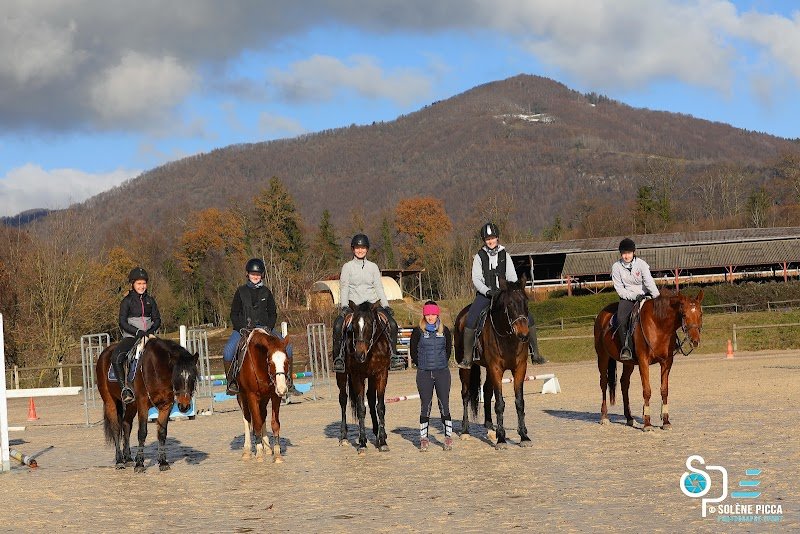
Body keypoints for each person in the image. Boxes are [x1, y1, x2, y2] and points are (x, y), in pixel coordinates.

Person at [458, 222, 547, 369]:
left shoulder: (505, 255)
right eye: (487, 239)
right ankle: (468, 358)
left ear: (497, 238)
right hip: (485, 295)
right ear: (484, 241)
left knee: (528, 317)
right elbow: (476, 278)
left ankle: (535, 353)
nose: (490, 241)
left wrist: (509, 291)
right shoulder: (479, 257)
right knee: (472, 317)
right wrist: (487, 291)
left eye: (492, 238)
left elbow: (512, 276)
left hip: (504, 294)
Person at [223, 258, 295, 395]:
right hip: (243, 329)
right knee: (227, 352)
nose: (255, 276)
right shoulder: (240, 292)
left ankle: (289, 382)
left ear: (262, 275)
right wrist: (240, 327)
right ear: (248, 274)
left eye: (258, 274)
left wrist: (268, 327)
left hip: (266, 328)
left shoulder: (266, 292)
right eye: (252, 273)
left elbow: (273, 313)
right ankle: (232, 382)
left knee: (289, 348)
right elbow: (234, 313)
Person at [332, 234, 399, 373]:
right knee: (338, 325)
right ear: (353, 249)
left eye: (362, 248)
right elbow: (344, 287)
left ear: (367, 249)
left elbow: (379, 287)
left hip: (372, 304)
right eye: (357, 248)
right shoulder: (347, 267)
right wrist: (344, 306)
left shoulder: (373, 267)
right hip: (354, 305)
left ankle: (393, 355)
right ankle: (338, 358)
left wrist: (386, 305)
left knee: (392, 324)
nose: (360, 250)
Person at [112, 267, 161, 404]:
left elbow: (157, 320)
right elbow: (122, 322)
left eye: (144, 283)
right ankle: (124, 389)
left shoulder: (151, 300)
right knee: (116, 357)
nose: (142, 286)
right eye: (139, 283)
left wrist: (150, 332)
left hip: (149, 336)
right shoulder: (126, 301)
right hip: (131, 336)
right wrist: (138, 332)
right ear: (133, 284)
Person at [410, 301, 453, 451]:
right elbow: (413, 352)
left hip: (442, 373)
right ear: (424, 315)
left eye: (433, 314)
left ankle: (448, 437)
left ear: (437, 314)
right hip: (424, 374)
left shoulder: (445, 330)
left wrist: (440, 364)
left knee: (444, 405)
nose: (430, 317)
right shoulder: (417, 331)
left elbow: (448, 350)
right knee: (425, 406)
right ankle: (424, 438)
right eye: (427, 314)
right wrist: (422, 364)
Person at [611, 238, 659, 360]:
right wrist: (633, 296)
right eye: (624, 253)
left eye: (629, 253)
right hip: (627, 298)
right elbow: (620, 289)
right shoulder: (616, 267)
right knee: (621, 319)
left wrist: (657, 297)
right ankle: (626, 348)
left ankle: (671, 342)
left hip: (646, 296)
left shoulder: (642, 264)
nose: (626, 256)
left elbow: (649, 283)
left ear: (634, 252)